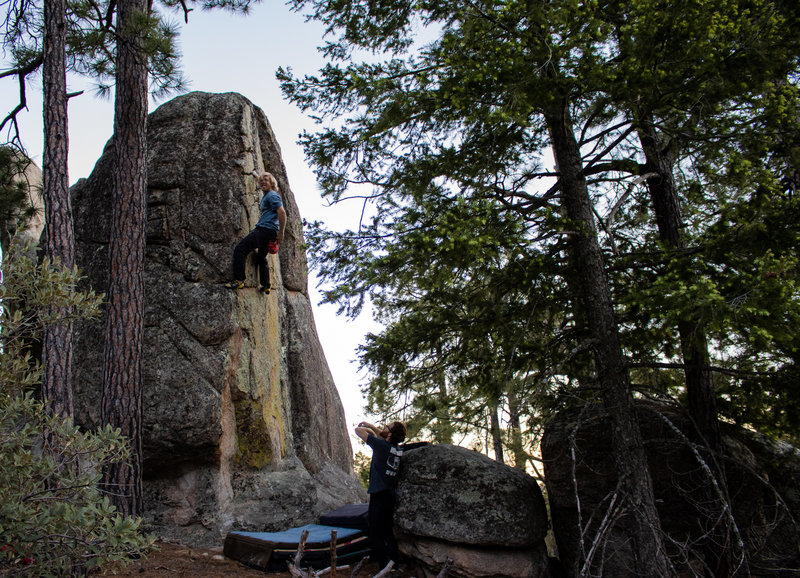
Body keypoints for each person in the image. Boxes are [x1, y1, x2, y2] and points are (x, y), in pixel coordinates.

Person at [355, 420, 407, 571]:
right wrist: (373, 427)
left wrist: (369, 428)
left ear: (389, 434)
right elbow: (384, 438)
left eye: (387, 427)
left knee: (376, 533)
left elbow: (358, 431)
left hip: (378, 496)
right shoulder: (397, 449)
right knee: (388, 532)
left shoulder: (381, 446)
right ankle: (394, 565)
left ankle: (384, 568)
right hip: (390, 496)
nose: (383, 428)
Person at [226, 171, 286, 294]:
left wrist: (281, 233)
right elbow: (263, 182)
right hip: (269, 232)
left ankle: (239, 280)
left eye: (267, 180)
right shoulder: (268, 194)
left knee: (240, 249)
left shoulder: (272, 195)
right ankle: (266, 285)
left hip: (264, 230)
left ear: (272, 184)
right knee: (260, 257)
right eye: (261, 180)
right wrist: (256, 176)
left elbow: (282, 212)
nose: (263, 182)